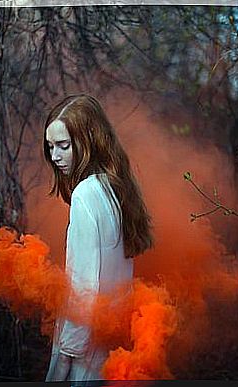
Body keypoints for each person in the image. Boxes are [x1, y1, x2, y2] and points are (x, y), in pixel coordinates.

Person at [43, 94, 153, 382]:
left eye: (63, 146)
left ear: (87, 142)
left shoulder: (84, 195)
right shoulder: (114, 186)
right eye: (51, 147)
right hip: (113, 334)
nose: (55, 156)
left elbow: (83, 283)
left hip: (86, 344)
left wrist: (67, 350)